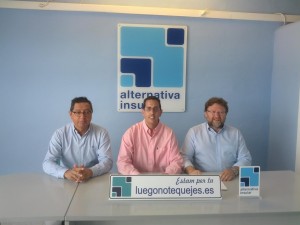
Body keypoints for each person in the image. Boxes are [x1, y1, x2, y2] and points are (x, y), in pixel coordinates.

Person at [43, 96, 113, 183]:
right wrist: (66, 172)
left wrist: (90, 172)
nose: (82, 116)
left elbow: (107, 161)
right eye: (77, 112)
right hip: (67, 180)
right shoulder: (60, 134)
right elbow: (47, 162)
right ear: (70, 114)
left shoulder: (101, 133)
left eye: (87, 112)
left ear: (91, 114)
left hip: (93, 179)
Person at [181, 97, 252, 181]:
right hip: (203, 179)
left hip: (230, 178)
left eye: (221, 112)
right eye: (213, 112)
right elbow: (184, 156)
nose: (217, 116)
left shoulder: (235, 133)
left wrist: (234, 171)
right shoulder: (194, 132)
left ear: (226, 114)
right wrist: (191, 170)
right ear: (205, 114)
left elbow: (245, 158)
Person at [117, 96, 183, 175]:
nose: (152, 112)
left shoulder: (169, 134)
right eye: (148, 108)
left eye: (155, 109)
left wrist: (166, 175)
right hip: (137, 180)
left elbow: (177, 161)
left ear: (160, 112)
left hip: (162, 181)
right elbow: (122, 162)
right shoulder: (131, 133)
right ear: (143, 112)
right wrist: (137, 176)